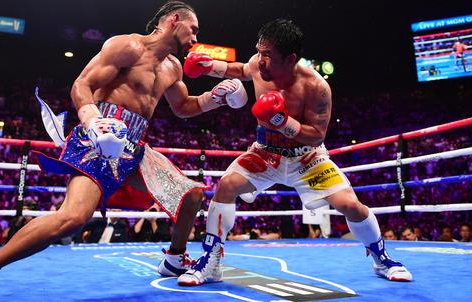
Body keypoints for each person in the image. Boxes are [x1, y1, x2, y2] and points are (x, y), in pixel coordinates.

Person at [0, 1, 248, 301]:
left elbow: (183, 107)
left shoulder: (173, 67)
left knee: (190, 194)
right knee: (72, 217)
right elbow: (81, 84)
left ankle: (175, 258)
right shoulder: (128, 46)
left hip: (135, 146)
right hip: (99, 137)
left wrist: (215, 97)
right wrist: (94, 121)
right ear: (174, 20)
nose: (195, 38)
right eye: (192, 29)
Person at [177, 19, 412, 286]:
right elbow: (241, 69)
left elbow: (317, 135)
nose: (260, 60)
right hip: (266, 151)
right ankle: (211, 261)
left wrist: (282, 121)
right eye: (259, 51)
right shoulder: (258, 63)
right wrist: (209, 67)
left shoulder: (316, 87)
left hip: (307, 157)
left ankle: (382, 258)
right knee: (227, 185)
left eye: (268, 55)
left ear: (290, 59)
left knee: (350, 205)